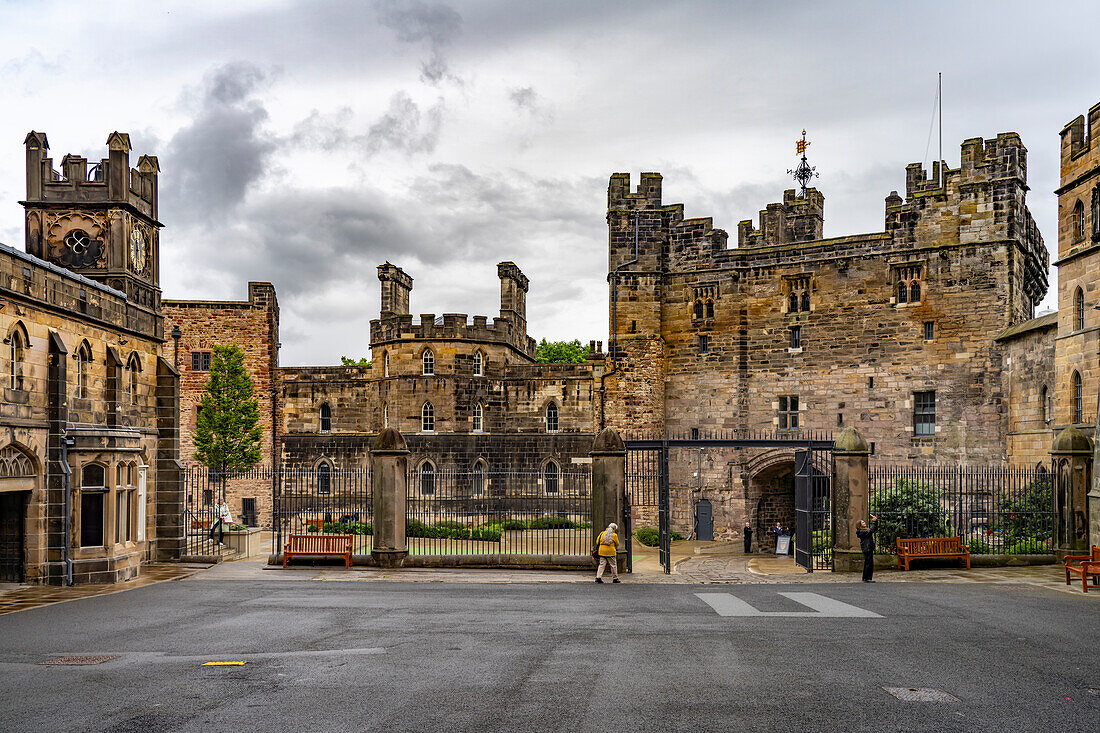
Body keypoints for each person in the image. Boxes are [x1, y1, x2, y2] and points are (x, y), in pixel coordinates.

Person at [856, 514, 878, 582]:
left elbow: (874, 529)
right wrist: (874, 522)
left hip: (868, 548)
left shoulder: (864, 531)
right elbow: (870, 531)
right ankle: (867, 578)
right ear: (859, 525)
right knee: (868, 563)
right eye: (862, 522)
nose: (864, 522)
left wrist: (876, 522)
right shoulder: (861, 531)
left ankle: (866, 578)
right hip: (867, 548)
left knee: (869, 563)